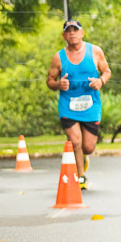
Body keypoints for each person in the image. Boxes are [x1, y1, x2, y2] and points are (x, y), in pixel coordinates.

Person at [46, 19, 111, 189]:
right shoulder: (58, 57)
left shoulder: (95, 52)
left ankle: (83, 157)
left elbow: (107, 71)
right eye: (68, 30)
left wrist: (101, 81)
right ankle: (81, 176)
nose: (72, 33)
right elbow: (50, 80)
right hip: (68, 105)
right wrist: (58, 85)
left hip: (91, 105)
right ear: (64, 35)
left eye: (75, 30)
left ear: (82, 33)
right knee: (75, 141)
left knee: (87, 147)